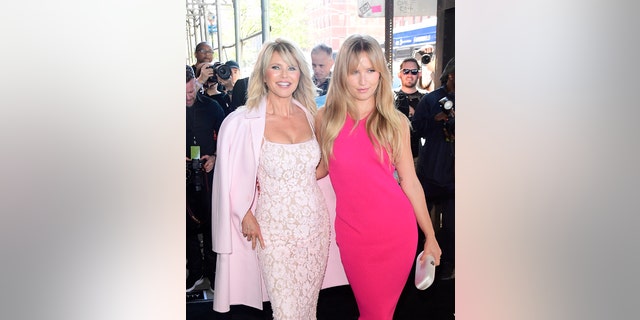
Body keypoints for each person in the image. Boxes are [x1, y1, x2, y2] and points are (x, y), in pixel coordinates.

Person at [211, 38, 347, 319]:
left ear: (301, 73)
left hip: (315, 228)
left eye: (292, 68)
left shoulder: (310, 116)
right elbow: (229, 178)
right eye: (276, 67)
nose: (285, 76)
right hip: (272, 232)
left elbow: (318, 170)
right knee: (285, 312)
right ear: (263, 73)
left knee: (308, 309)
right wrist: (244, 212)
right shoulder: (244, 121)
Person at [315, 34, 442, 320]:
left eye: (371, 70)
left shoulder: (394, 122)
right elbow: (322, 168)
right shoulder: (326, 118)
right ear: (343, 75)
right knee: (374, 312)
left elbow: (410, 183)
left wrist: (430, 236)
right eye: (355, 71)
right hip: (353, 234)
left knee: (378, 314)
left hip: (395, 232)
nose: (363, 80)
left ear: (381, 74)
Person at [412, 57, 455, 281]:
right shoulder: (431, 99)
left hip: (456, 177)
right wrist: (436, 119)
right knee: (419, 222)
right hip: (430, 172)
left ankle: (447, 265)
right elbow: (415, 129)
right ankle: (418, 261)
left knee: (452, 226)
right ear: (451, 75)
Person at [185, 65, 226, 292]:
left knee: (212, 225)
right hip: (182, 177)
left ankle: (214, 273)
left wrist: (215, 156)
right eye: (183, 95)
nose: (189, 97)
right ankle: (196, 273)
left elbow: (227, 139)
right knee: (185, 228)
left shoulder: (212, 107)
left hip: (210, 175)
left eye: (191, 92)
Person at [394, 57, 425, 161]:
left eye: (414, 71)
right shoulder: (389, 97)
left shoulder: (426, 99)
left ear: (419, 74)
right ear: (399, 74)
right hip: (393, 157)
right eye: (406, 71)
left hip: (418, 157)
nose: (409, 75)